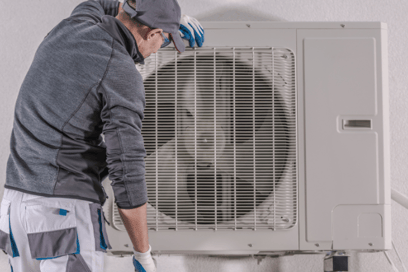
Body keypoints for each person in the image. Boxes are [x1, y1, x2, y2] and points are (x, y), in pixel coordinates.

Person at [0, 0, 204, 271]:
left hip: (15, 208)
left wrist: (169, 18)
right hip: (63, 215)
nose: (160, 49)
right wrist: (143, 253)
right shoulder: (120, 72)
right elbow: (127, 171)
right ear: (152, 33)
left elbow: (99, 2)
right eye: (166, 40)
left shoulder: (73, 25)